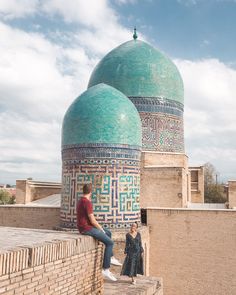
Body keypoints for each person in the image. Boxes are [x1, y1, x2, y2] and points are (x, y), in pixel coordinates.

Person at [76, 183, 122, 282]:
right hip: (86, 229)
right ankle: (105, 268)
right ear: (91, 192)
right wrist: (100, 228)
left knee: (108, 233)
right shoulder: (87, 202)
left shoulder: (80, 201)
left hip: (84, 227)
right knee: (110, 242)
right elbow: (92, 220)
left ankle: (111, 257)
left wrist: (102, 230)